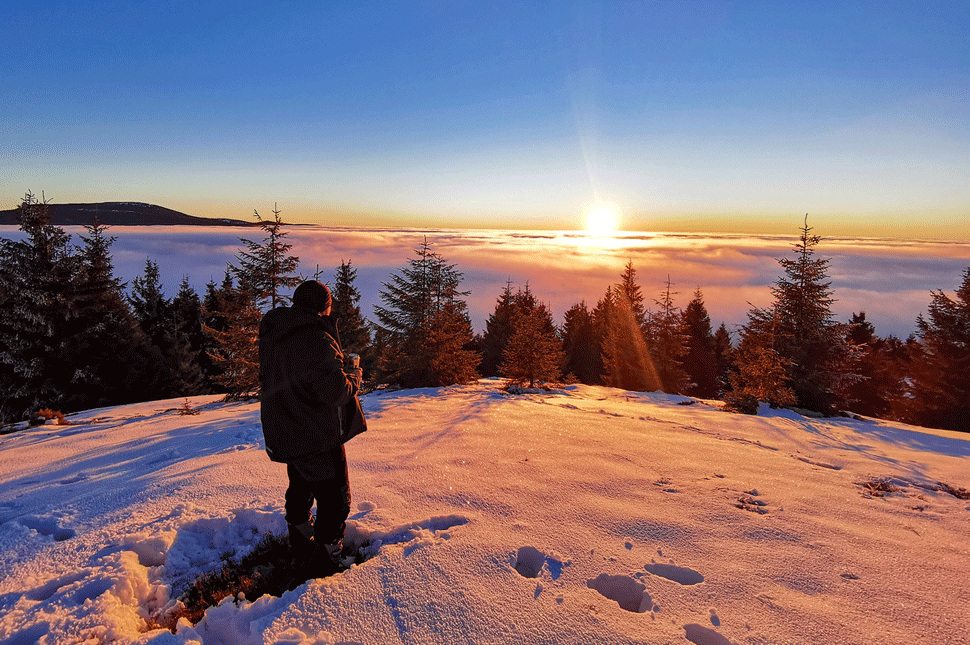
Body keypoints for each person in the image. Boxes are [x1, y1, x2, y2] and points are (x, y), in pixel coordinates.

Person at [258, 280, 367, 576]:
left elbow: (299, 374)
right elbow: (336, 392)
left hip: (286, 425)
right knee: (335, 497)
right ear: (324, 307)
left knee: (301, 482)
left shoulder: (276, 330)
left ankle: (300, 534)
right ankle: (328, 555)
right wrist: (354, 375)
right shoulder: (315, 339)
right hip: (315, 432)